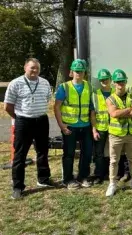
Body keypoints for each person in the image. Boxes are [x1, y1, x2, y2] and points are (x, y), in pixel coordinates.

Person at [4, 58, 52, 199]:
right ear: (25, 67)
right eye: (32, 68)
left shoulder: (44, 82)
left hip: (42, 120)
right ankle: (18, 187)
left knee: (43, 151)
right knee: (20, 155)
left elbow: (47, 99)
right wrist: (19, 117)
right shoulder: (16, 83)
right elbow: (7, 106)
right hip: (23, 122)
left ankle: (43, 179)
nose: (35, 70)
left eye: (37, 68)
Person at [54, 59, 94, 189]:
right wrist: (61, 125)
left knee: (87, 153)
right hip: (70, 126)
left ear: (84, 73)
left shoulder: (89, 86)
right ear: (71, 72)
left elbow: (91, 107)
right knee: (69, 154)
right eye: (76, 71)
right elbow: (56, 107)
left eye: (81, 71)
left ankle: (83, 177)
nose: (79, 74)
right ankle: (68, 179)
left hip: (85, 126)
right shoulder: (64, 87)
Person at [105, 69, 132, 196]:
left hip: (131, 134)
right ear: (114, 83)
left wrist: (121, 112)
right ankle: (112, 184)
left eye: (122, 82)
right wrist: (128, 110)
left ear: (126, 82)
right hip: (116, 135)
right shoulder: (110, 99)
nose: (120, 84)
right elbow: (114, 114)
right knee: (114, 160)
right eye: (118, 82)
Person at [90, 69, 113, 184]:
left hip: (115, 128)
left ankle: (114, 174)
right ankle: (99, 175)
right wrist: (94, 130)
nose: (104, 81)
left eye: (106, 79)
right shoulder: (95, 94)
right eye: (102, 79)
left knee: (114, 152)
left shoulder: (115, 93)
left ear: (111, 79)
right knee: (98, 153)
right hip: (100, 128)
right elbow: (93, 114)